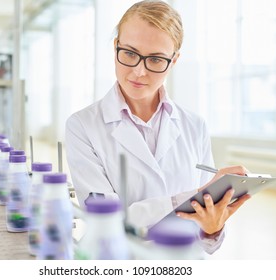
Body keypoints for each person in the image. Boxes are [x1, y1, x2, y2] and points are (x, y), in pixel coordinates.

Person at [65, 0, 251, 255]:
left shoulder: (194, 126)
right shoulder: (83, 126)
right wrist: (190, 198)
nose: (139, 71)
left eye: (155, 59)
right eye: (129, 53)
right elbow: (108, 221)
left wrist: (212, 228)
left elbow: (207, 235)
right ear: (115, 47)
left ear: (173, 60)